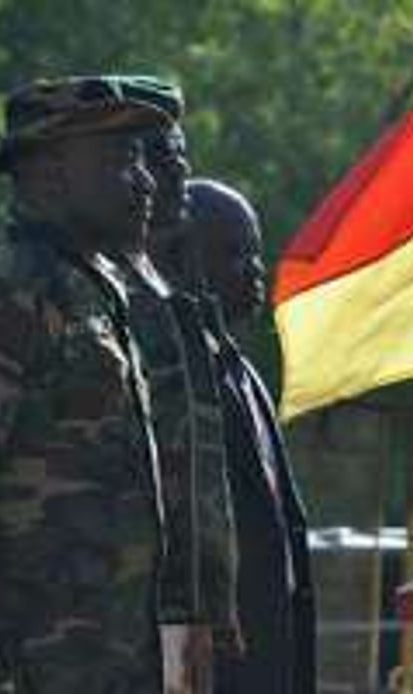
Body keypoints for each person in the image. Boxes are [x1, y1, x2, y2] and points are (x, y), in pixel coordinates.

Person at [0, 77, 167, 693]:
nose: (145, 181)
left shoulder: (88, 285)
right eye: (120, 159)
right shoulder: (8, 282)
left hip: (103, 659)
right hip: (28, 661)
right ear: (49, 171)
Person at [153, 178, 315, 694]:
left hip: (269, 656)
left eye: (255, 252)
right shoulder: (172, 372)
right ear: (181, 259)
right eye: (232, 253)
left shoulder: (241, 371)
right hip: (213, 663)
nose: (253, 269)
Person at [114, 76, 238, 694]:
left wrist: (215, 604)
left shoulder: (176, 298)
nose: (177, 172)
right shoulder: (94, 290)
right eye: (160, 157)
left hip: (184, 620)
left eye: (182, 154)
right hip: (105, 621)